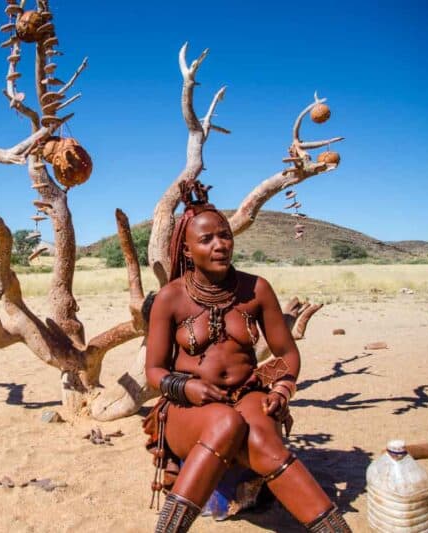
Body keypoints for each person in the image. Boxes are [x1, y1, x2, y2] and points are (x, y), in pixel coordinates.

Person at [144, 179, 350, 532]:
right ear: (188, 251)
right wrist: (188, 388)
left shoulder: (256, 289)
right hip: (189, 407)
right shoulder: (170, 298)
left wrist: (281, 390)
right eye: (206, 239)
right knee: (225, 423)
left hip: (247, 395)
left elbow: (286, 354)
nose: (220, 244)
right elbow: (154, 370)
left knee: (261, 439)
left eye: (224, 235)